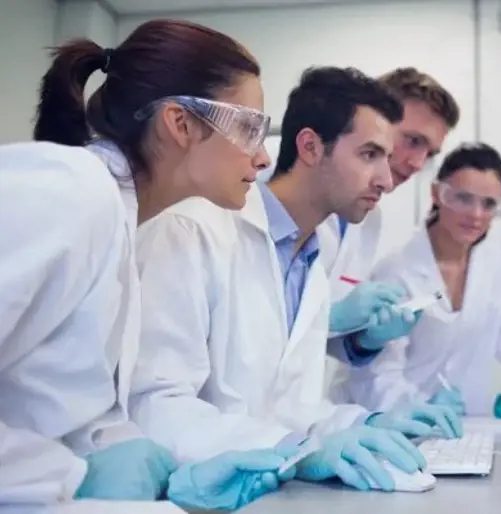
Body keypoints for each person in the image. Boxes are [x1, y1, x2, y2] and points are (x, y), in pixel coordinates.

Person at [0, 19, 296, 510]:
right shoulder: (72, 189)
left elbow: (57, 410)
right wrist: (68, 475)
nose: (262, 158)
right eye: (249, 129)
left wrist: (169, 479)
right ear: (180, 123)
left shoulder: (126, 221)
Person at [129, 66, 462, 496]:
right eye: (369, 154)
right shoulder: (192, 230)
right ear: (309, 146)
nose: (387, 177)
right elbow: (155, 405)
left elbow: (286, 404)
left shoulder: (308, 259)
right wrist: (296, 448)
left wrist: (367, 423)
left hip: (268, 493)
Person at [331, 143, 501, 418]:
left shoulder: (498, 258)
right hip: (392, 422)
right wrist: (421, 409)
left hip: (466, 426)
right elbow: (376, 375)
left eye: (489, 204)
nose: (476, 215)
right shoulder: (397, 270)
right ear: (437, 194)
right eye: (463, 199)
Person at [320, 67, 461, 365]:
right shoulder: (264, 181)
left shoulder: (368, 217)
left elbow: (323, 343)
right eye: (413, 140)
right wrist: (327, 317)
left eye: (430, 153)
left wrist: (366, 341)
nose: (417, 163)